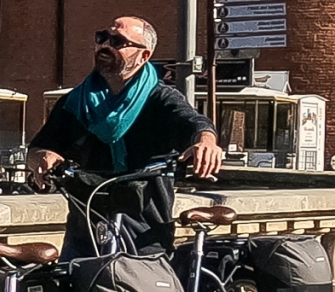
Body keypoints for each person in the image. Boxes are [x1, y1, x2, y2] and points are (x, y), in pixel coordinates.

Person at [27, 15, 223, 256]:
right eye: (102, 38)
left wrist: (206, 142)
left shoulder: (160, 98)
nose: (106, 45)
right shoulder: (75, 102)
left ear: (144, 56)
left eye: (118, 41)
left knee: (144, 291)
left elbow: (193, 122)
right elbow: (40, 146)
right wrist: (43, 157)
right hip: (86, 228)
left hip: (145, 232)